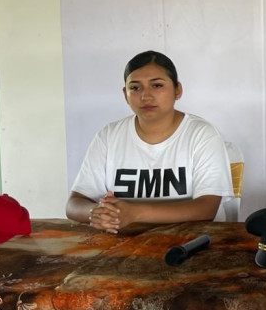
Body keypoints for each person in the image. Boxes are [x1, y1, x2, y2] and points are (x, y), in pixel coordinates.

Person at [66, 51, 233, 233]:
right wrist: (95, 212)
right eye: (135, 88)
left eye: (157, 85)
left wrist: (135, 213)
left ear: (177, 90)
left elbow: (206, 208)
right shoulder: (109, 136)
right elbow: (74, 204)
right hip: (124, 242)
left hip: (191, 242)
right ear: (125, 94)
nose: (146, 96)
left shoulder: (202, 134)